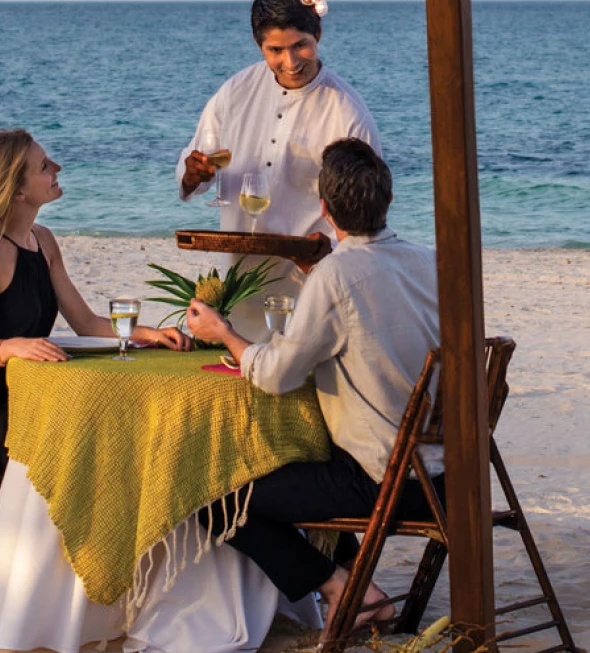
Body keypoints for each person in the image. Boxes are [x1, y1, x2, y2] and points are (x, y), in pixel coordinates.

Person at [0, 128, 187, 623]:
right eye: (45, 165)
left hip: (29, 394)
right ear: (17, 188)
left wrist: (147, 333)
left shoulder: (43, 242)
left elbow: (85, 324)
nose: (56, 170)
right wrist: (12, 346)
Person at [185, 138, 438, 628]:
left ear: (323, 209)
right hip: (447, 478)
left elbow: (277, 376)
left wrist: (224, 333)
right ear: (388, 200)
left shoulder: (337, 276)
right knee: (302, 456)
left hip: (383, 480)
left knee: (212, 494)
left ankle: (342, 587)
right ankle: (352, 578)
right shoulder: (429, 262)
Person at [177, 0, 381, 277]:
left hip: (311, 282)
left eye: (300, 45)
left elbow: (367, 224)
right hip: (239, 280)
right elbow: (194, 169)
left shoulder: (348, 113)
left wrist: (333, 249)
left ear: (318, 34)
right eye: (276, 50)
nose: (291, 62)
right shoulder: (235, 92)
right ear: (258, 44)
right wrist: (192, 175)